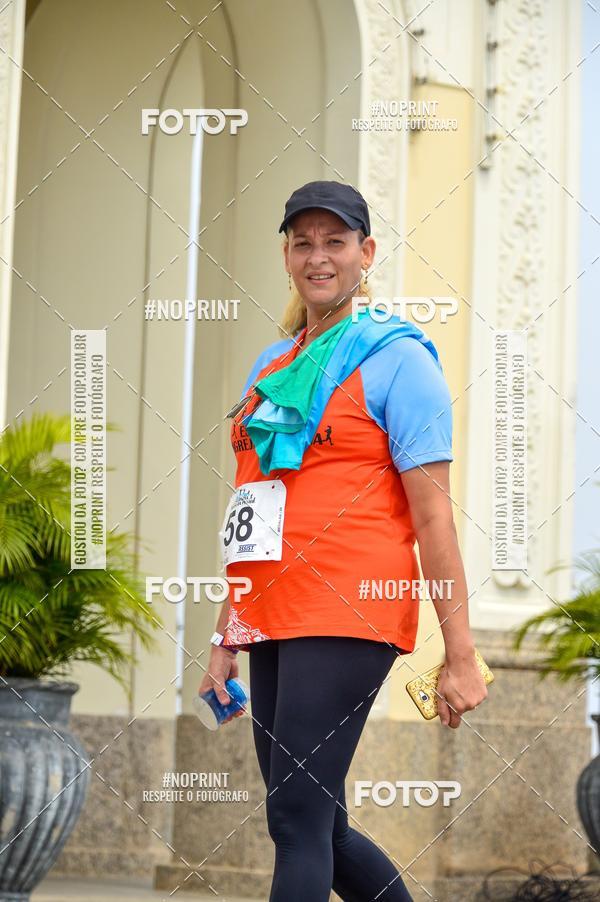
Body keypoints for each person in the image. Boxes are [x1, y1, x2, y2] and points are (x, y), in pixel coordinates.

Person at [199, 180, 488, 901]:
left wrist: (460, 654)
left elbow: (433, 519)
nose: (318, 256)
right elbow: (255, 509)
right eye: (303, 242)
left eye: (335, 242)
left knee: (295, 817)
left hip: (352, 608)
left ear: (366, 253)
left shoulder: (400, 360)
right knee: (317, 823)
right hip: (272, 611)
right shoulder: (270, 366)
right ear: (288, 255)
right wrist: (226, 633)